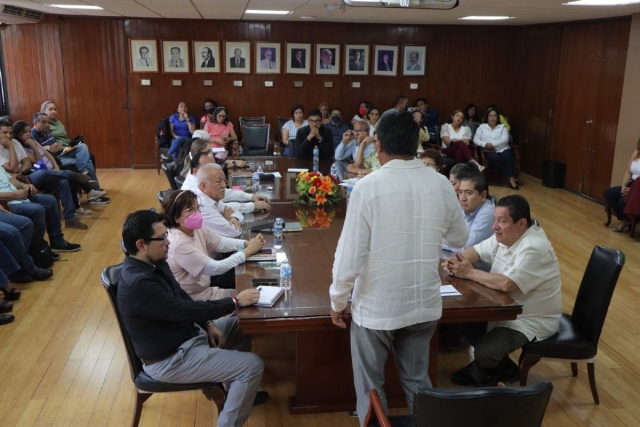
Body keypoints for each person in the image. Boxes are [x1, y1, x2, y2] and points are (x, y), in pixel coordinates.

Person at [330, 109, 469, 426]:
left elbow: (349, 255)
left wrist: (338, 300)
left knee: (371, 388)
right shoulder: (441, 184)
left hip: (377, 308)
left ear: (377, 144)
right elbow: (460, 236)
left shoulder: (367, 187)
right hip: (424, 304)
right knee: (418, 381)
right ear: (416, 144)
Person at [118, 210, 266, 427]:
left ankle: (238, 391)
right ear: (141, 244)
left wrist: (207, 324)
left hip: (187, 337)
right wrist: (235, 302)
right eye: (162, 238)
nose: (168, 242)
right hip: (170, 359)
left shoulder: (155, 262)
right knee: (252, 365)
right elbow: (185, 310)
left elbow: (181, 297)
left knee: (245, 325)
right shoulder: (139, 284)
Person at [444, 195, 561, 386]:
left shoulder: (534, 248)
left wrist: (469, 272)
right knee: (454, 319)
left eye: (502, 221)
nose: (494, 226)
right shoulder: (505, 236)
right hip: (502, 309)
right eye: (494, 220)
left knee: (484, 351)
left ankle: (488, 370)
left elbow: (507, 284)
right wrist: (456, 262)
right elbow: (475, 252)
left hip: (528, 320)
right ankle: (499, 367)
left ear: (521, 223)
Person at [163, 190, 265, 300]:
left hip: (207, 291)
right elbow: (216, 268)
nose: (197, 213)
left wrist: (245, 243)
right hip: (194, 301)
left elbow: (221, 243)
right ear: (176, 217)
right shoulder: (179, 243)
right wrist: (246, 252)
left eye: (198, 208)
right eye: (190, 210)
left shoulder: (195, 229)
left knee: (255, 295)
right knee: (252, 299)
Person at [0, 121, 88, 230]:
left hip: (28, 174)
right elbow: (13, 168)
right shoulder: (11, 145)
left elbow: (30, 162)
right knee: (43, 173)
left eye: (10, 133)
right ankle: (69, 174)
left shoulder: (17, 142)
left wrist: (22, 169)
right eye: (4, 133)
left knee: (62, 182)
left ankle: (70, 219)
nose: (8, 136)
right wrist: (10, 148)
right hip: (19, 181)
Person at [14, 120, 102, 214]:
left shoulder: (33, 140)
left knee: (71, 168)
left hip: (51, 167)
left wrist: (56, 166)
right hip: (42, 171)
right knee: (69, 175)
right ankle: (87, 191)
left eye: (29, 131)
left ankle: (81, 200)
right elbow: (38, 161)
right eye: (26, 132)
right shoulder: (21, 147)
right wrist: (33, 146)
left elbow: (47, 154)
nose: (29, 134)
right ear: (19, 134)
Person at [0, 167, 80, 252]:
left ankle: (57, 241)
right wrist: (12, 195)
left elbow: (10, 180)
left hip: (18, 196)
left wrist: (25, 185)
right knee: (37, 210)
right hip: (6, 203)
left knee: (50, 200)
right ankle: (38, 249)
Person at [180, 140, 271, 214]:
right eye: (208, 152)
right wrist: (252, 206)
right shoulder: (195, 185)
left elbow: (224, 193)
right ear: (198, 155)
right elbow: (218, 208)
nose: (212, 155)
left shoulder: (201, 171)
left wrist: (250, 197)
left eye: (211, 151)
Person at [38, 103, 101, 185]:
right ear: (43, 111)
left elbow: (64, 137)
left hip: (68, 147)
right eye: (50, 109)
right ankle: (92, 186)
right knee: (87, 159)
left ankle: (91, 183)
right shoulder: (44, 125)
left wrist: (74, 142)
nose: (53, 111)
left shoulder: (58, 122)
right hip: (60, 152)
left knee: (86, 151)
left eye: (55, 109)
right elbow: (46, 143)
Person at [442, 173, 494, 253]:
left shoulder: (488, 213)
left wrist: (438, 242)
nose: (462, 198)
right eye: (460, 192)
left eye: (468, 193)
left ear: (483, 195)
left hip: (478, 264)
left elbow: (467, 245)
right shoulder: (464, 207)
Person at [195, 163, 244, 238]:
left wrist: (232, 217)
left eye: (224, 180)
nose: (224, 185)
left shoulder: (211, 198)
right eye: (218, 181)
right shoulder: (203, 205)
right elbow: (235, 232)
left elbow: (236, 213)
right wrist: (228, 219)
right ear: (203, 186)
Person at [603, 136, 640, 232]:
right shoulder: (636, 152)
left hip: (638, 188)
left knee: (621, 201)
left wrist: (631, 190)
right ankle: (625, 219)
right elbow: (628, 172)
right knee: (609, 193)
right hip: (631, 184)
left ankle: (627, 220)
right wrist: (624, 186)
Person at [474, 107, 517, 189]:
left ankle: (512, 180)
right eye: (490, 116)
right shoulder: (482, 127)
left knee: (508, 157)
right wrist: (486, 144)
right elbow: (475, 140)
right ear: (487, 118)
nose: (492, 117)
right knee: (495, 159)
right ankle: (508, 177)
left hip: (502, 148)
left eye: (494, 116)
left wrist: (492, 144)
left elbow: (505, 139)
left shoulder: (502, 127)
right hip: (488, 150)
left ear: (497, 118)